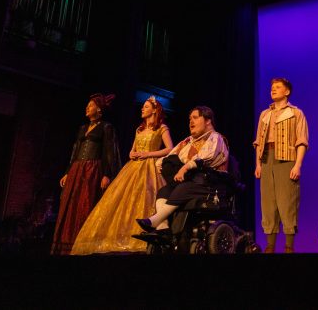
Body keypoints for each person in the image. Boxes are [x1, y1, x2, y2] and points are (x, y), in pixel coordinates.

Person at [70, 96, 173, 254]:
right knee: (123, 200)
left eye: (146, 107)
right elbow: (133, 148)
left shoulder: (162, 128)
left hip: (150, 167)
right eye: (143, 107)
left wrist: (148, 154)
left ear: (154, 110)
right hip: (132, 168)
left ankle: (143, 236)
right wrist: (132, 153)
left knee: (145, 197)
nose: (142, 109)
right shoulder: (139, 129)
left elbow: (169, 149)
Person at [135, 106, 229, 233]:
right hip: (190, 180)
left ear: (208, 121)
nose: (191, 122)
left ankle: (155, 220)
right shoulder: (187, 142)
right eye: (190, 119)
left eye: (195, 118)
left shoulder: (216, 137)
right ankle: (163, 227)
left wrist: (185, 167)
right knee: (165, 189)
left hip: (209, 182)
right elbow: (166, 159)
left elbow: (207, 157)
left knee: (182, 187)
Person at [50, 92, 121, 255]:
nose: (87, 108)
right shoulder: (82, 128)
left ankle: (82, 245)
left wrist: (107, 174)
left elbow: (109, 152)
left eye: (91, 106)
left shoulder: (106, 127)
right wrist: (68, 172)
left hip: (92, 171)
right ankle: (65, 245)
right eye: (87, 106)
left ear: (99, 110)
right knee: (70, 205)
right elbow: (75, 152)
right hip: (77, 170)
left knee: (85, 204)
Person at [253, 77, 308, 253]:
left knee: (287, 202)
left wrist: (297, 165)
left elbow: (302, 141)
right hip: (267, 159)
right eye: (272, 88)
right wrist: (258, 164)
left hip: (286, 159)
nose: (273, 90)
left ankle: (289, 246)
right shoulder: (265, 114)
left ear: (287, 91)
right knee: (268, 203)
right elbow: (258, 143)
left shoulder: (296, 113)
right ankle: (270, 245)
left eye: (278, 87)